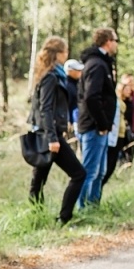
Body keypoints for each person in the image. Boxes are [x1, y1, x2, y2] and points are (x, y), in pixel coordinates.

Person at [29, 41, 85, 223]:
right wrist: (52, 138)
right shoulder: (51, 77)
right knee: (77, 174)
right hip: (48, 137)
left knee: (39, 180)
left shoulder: (56, 75)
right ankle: (56, 218)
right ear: (58, 53)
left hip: (52, 134)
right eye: (65, 51)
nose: (67, 53)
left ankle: (55, 218)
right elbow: (45, 108)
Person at [75, 27, 118, 208]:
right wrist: (101, 123)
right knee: (89, 171)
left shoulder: (103, 63)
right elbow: (92, 97)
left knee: (100, 172)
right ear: (108, 41)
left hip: (101, 128)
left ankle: (93, 207)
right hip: (94, 127)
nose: (116, 44)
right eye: (115, 40)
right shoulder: (97, 65)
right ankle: (81, 208)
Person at [105, 73, 134, 183]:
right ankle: (118, 174)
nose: (130, 87)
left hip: (133, 129)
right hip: (121, 131)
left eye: (132, 84)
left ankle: (126, 175)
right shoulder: (119, 100)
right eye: (128, 84)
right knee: (119, 155)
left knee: (130, 154)